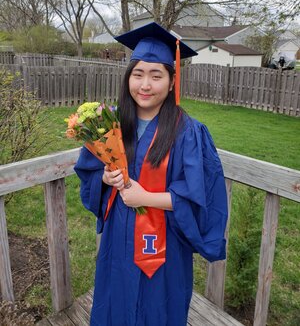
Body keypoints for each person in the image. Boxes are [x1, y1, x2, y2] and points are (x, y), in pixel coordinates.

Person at [74, 22, 228, 326]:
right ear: (128, 77)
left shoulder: (190, 132)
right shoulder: (110, 124)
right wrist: (104, 180)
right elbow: (89, 174)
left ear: (172, 82)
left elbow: (202, 196)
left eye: (156, 75)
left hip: (166, 243)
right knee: (116, 302)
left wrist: (147, 197)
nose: (145, 84)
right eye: (138, 74)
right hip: (119, 239)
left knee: (160, 308)